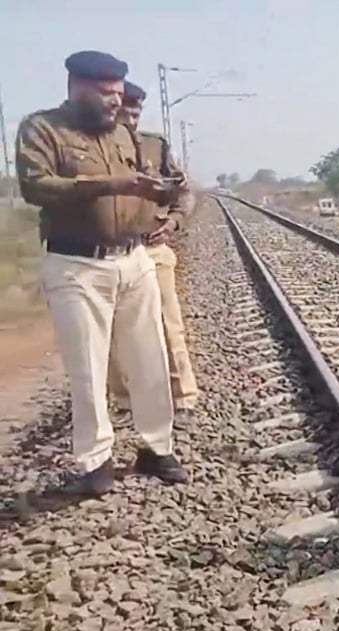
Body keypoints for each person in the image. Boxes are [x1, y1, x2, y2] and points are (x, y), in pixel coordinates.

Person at [15, 51, 189, 495]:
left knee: (150, 357)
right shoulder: (43, 129)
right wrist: (113, 185)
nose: (116, 101)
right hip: (77, 265)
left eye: (118, 93)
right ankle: (96, 462)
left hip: (133, 260)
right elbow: (37, 187)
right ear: (79, 87)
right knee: (88, 366)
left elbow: (141, 183)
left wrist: (157, 198)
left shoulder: (125, 136)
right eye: (107, 93)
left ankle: (156, 447)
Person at [107, 81, 198, 431]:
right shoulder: (96, 147)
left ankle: (182, 399)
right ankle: (125, 401)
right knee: (116, 333)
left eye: (136, 110)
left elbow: (182, 192)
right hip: (110, 251)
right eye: (124, 109)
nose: (130, 116)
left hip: (152, 249)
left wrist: (173, 222)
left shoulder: (154, 146)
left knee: (167, 325)